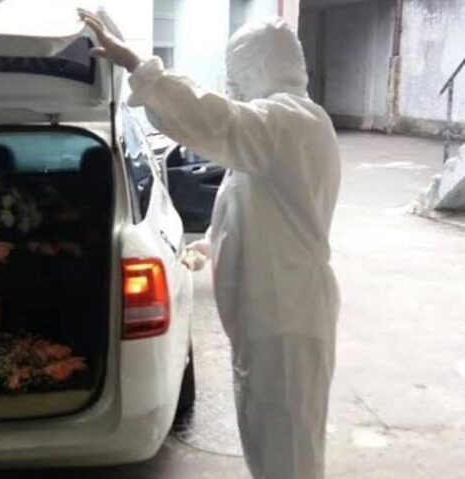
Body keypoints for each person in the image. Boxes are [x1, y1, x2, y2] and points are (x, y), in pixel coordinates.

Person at [80, 11, 341, 479]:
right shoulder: (278, 129)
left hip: (287, 319)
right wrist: (208, 248)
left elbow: (213, 119)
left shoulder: (290, 121)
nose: (233, 83)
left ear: (261, 66)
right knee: (272, 443)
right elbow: (255, 208)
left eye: (237, 70)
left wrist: (140, 65)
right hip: (273, 316)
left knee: (289, 455)